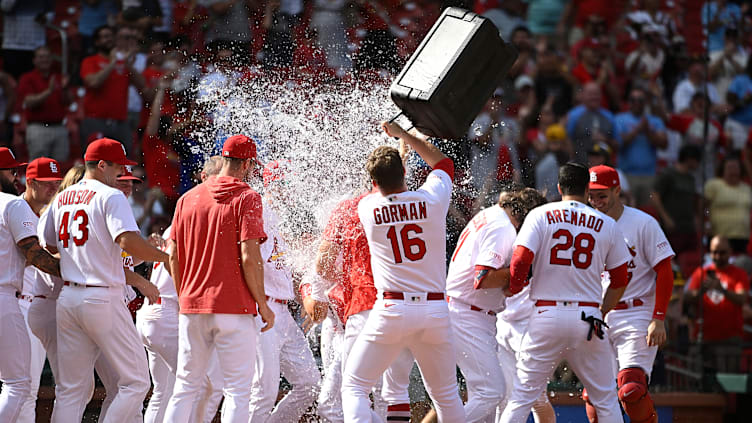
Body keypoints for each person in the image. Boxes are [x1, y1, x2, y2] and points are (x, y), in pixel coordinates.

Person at [341, 122, 465, 422]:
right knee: (446, 395)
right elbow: (443, 163)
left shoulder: (368, 207)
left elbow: (384, 190)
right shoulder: (432, 199)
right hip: (435, 309)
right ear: (405, 173)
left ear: (373, 179)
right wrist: (405, 136)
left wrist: (396, 158)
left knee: (355, 387)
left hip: (392, 309)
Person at [40, 137, 168, 423]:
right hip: (102, 296)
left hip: (70, 297)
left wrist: (81, 258)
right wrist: (166, 259)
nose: (121, 173)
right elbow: (128, 242)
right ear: (101, 165)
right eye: (118, 167)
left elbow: (47, 244)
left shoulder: (62, 197)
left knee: (71, 392)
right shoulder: (111, 196)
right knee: (136, 382)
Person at [500, 162, 631, 423]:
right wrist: (602, 310)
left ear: (560, 188)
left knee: (522, 397)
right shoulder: (606, 223)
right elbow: (620, 278)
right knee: (605, 399)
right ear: (587, 188)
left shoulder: (540, 214)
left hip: (546, 314)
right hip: (588, 316)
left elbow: (520, 259)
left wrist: (514, 287)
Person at [164, 134, 274, 423]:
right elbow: (250, 257)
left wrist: (183, 294)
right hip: (234, 308)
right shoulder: (248, 197)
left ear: (224, 159)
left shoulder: (188, 197)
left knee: (184, 387)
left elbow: (172, 255)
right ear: (248, 164)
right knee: (238, 391)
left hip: (193, 306)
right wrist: (262, 303)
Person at [313, 179, 415, 421]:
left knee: (353, 391)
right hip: (405, 307)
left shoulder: (349, 207)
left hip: (364, 305)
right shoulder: (414, 206)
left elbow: (322, 264)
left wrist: (343, 279)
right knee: (393, 395)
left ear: (371, 179)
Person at [445, 187, 547, 422]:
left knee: (492, 399)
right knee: (491, 393)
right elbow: (482, 278)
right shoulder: (503, 228)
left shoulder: (494, 214)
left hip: (468, 311)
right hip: (466, 314)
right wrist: (522, 272)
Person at [136, 157, 225, 423]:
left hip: (154, 313)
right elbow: (177, 259)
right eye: (220, 176)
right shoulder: (199, 207)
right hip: (167, 313)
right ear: (204, 177)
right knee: (202, 386)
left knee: (165, 391)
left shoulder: (190, 206)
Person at [588, 165, 676, 423]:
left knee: (631, 389)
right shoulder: (586, 223)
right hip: (599, 312)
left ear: (617, 190)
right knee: (593, 396)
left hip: (636, 312)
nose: (596, 201)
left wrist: (658, 317)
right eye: (591, 195)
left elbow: (665, 271)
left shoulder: (642, 222)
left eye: (602, 195)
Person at [248, 162, 321, 423]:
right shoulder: (258, 210)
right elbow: (248, 260)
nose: (289, 192)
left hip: (282, 311)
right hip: (263, 308)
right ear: (271, 185)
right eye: (284, 185)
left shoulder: (281, 218)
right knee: (263, 391)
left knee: (310, 383)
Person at [0, 149, 61, 422]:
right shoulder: (13, 205)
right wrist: (79, 269)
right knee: (19, 385)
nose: (15, 176)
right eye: (10, 170)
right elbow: (33, 254)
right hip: (7, 298)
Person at [26, 165, 83, 420]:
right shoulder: (55, 210)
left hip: (59, 305)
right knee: (70, 388)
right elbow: (44, 254)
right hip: (48, 303)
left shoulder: (66, 211)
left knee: (78, 387)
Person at [494, 190, 556, 423]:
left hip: (529, 325)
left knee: (536, 398)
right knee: (506, 397)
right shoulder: (503, 232)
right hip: (503, 322)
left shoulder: (541, 237)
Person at [17, 157, 63, 423]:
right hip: (17, 302)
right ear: (30, 182)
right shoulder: (14, 209)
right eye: (47, 183)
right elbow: (37, 258)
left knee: (28, 388)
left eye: (57, 183)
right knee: (23, 387)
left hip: (38, 305)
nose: (53, 188)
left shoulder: (51, 213)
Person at [686, 235, 749, 372]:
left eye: (722, 252)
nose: (718, 256)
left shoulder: (738, 274)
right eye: (714, 252)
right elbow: (688, 297)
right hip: (704, 340)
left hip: (729, 341)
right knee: (701, 384)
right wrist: (701, 291)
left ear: (730, 252)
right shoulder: (701, 273)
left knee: (729, 384)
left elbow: (741, 298)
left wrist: (722, 290)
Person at [80, 26, 146, 153]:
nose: (108, 39)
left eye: (110, 36)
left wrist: (127, 64)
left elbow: (142, 83)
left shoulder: (122, 64)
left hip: (121, 122)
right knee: (95, 162)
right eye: (104, 37)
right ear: (97, 42)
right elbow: (94, 82)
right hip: (95, 121)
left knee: (124, 164)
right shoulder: (90, 61)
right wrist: (112, 63)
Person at [615, 88, 668, 207]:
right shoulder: (620, 119)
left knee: (648, 213)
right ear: (628, 102)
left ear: (645, 102)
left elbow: (664, 144)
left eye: (640, 100)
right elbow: (619, 143)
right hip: (626, 175)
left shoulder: (655, 121)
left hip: (649, 175)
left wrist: (648, 131)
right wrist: (639, 129)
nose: (636, 103)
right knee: (626, 211)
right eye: (633, 100)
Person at [17, 46, 72, 162]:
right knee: (39, 167)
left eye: (47, 57)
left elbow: (69, 102)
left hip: (59, 127)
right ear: (34, 60)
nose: (45, 60)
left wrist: (66, 89)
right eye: (41, 57)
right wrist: (49, 91)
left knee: (61, 167)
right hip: (38, 128)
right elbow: (29, 102)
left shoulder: (58, 77)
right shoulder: (27, 78)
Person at [651, 145, 702, 256]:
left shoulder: (691, 178)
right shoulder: (668, 174)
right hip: (672, 228)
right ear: (689, 159)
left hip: (688, 228)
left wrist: (695, 218)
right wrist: (666, 218)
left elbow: (693, 201)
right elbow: (655, 196)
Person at [704, 155, 752, 254]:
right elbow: (704, 208)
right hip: (719, 238)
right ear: (723, 170)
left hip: (742, 237)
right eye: (730, 168)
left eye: (735, 168)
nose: (733, 171)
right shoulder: (714, 185)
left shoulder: (747, 188)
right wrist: (706, 223)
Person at [566, 82, 620, 164]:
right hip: (580, 166)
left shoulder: (609, 116)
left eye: (596, 94)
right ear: (583, 95)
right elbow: (567, 139)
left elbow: (618, 144)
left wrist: (606, 140)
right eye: (590, 94)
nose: (594, 97)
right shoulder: (573, 115)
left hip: (603, 168)